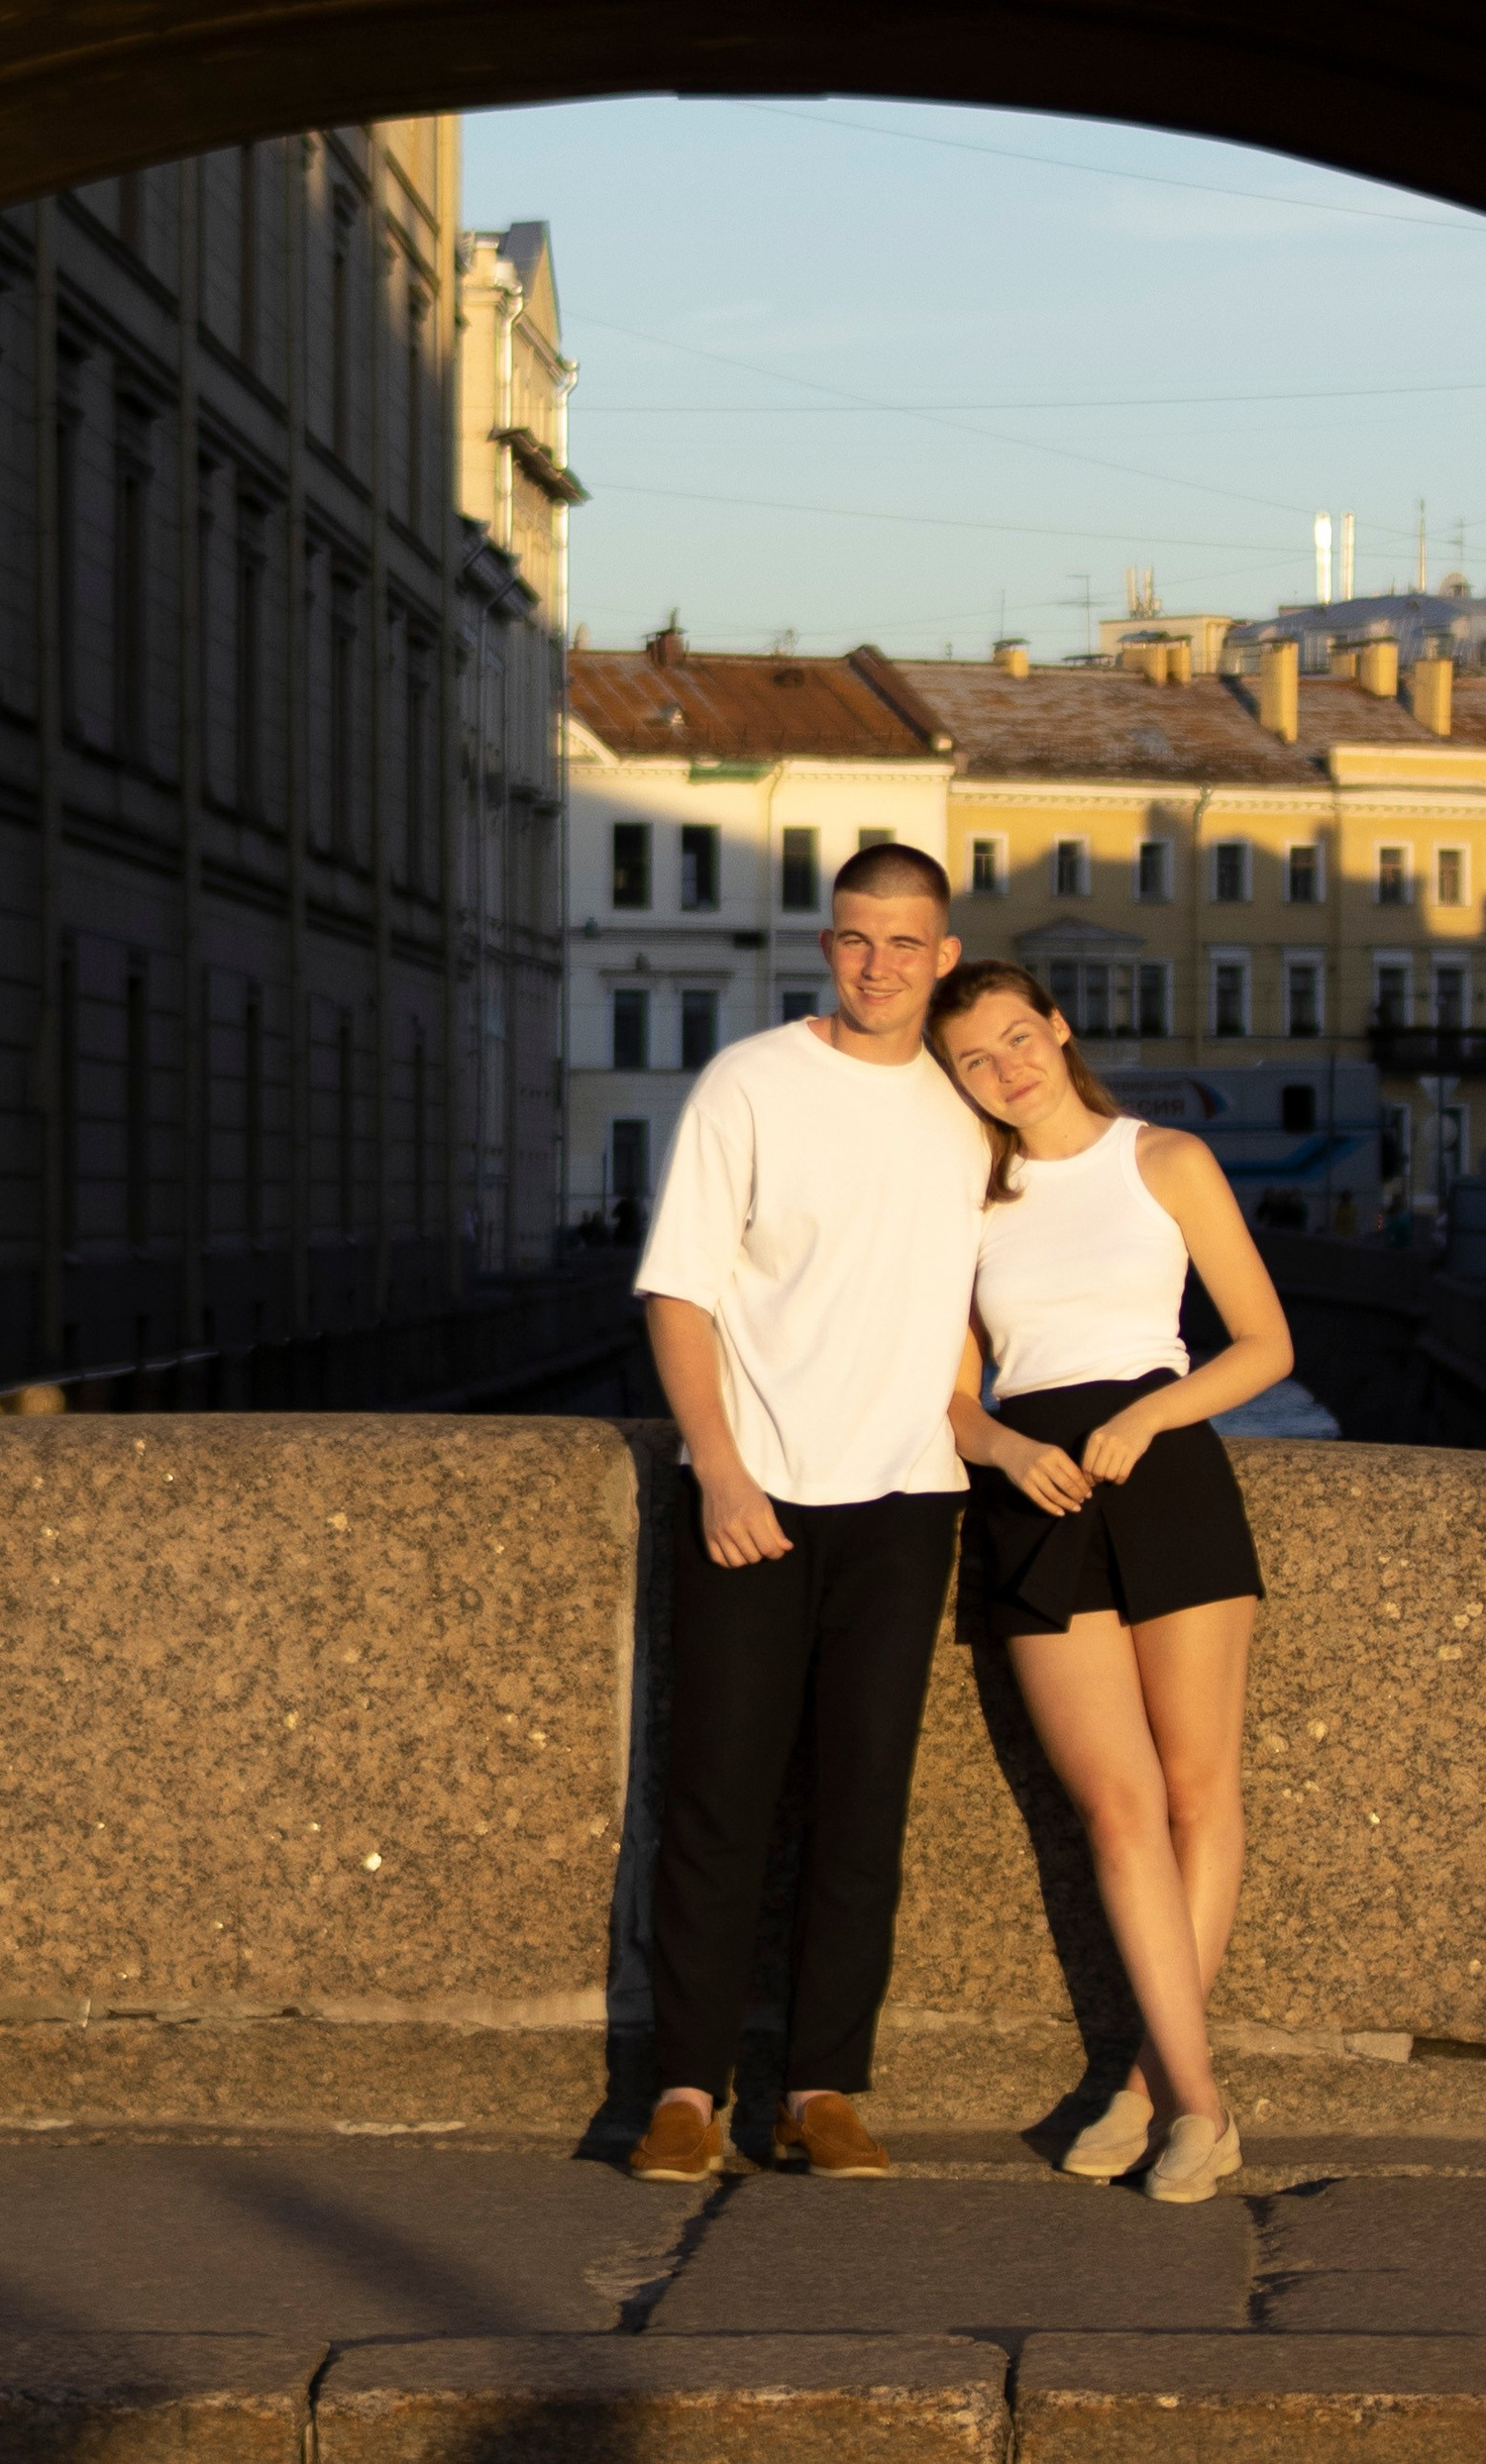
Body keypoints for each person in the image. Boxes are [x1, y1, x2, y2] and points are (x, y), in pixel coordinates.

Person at [626, 843, 989, 2187]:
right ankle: (683, 2091)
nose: (879, 965)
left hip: (906, 1498)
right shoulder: (754, 1083)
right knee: (718, 1797)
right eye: (855, 940)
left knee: (861, 1806)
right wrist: (717, 1466)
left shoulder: (967, 1112)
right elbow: (681, 1290)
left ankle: (823, 2087)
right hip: (755, 1489)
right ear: (825, 948)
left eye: (905, 943)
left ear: (943, 956)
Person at [927, 960, 1293, 2207]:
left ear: (1058, 1028)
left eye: (1017, 1038)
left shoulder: (1165, 1162)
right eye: (976, 1058)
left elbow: (1264, 1342)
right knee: (1117, 1813)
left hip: (1168, 1477)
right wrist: (1005, 1447)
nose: (1006, 1068)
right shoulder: (963, 1206)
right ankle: (1200, 2102)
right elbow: (952, 1395)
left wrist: (1152, 1417)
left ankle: (1151, 2090)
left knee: (1199, 1791)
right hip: (1035, 1496)